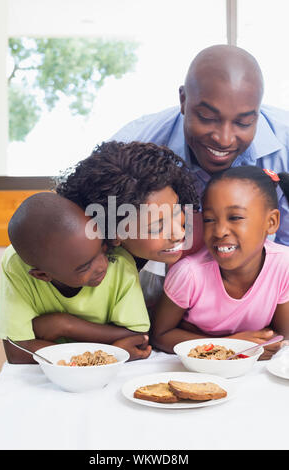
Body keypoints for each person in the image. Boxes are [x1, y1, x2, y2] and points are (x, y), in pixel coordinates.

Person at [111, 44, 289, 246]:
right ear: (183, 100)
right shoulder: (130, 148)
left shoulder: (285, 143)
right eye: (207, 117)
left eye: (243, 123)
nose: (224, 139)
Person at [0, 192, 151, 364]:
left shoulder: (120, 262)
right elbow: (17, 352)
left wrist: (65, 325)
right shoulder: (17, 265)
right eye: (85, 267)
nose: (102, 265)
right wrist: (112, 350)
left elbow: (139, 339)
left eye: (102, 247)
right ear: (42, 275)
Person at [152, 166, 289, 360]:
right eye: (209, 219)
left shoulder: (283, 265)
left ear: (272, 222)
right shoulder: (189, 274)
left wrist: (270, 344)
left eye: (235, 217)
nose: (219, 231)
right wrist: (230, 346)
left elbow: (283, 337)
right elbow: (160, 336)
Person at [55, 140, 202, 307]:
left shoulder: (200, 247)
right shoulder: (87, 273)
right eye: (157, 226)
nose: (180, 233)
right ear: (114, 234)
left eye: (176, 210)